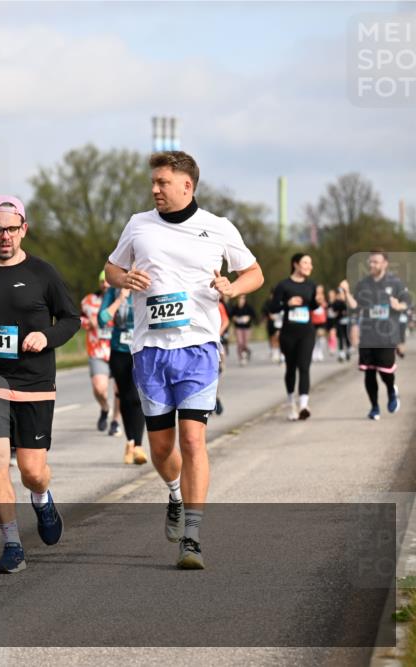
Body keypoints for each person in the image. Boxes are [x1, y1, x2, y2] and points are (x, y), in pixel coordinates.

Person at [104, 151, 263, 570]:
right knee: (161, 448)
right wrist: (124, 277)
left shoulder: (218, 227)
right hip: (150, 350)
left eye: (163, 182)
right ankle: (174, 492)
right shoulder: (138, 225)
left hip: (198, 347)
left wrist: (232, 287)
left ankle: (192, 536)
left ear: (187, 185)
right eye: (153, 182)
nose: (155, 189)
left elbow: (254, 273)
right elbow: (111, 269)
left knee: (193, 440)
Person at [0, 195, 80, 573]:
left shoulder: (43, 273)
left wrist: (46, 336)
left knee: (32, 471)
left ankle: (41, 499)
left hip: (35, 381)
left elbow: (70, 319)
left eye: (12, 228)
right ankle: (12, 544)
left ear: (24, 229)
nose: (5, 236)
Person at [341, 251, 412, 420]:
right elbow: (355, 307)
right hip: (368, 334)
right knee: (369, 372)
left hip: (387, 334)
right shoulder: (363, 284)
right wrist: (346, 292)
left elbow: (407, 302)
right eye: (370, 261)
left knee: (385, 371)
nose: (372, 265)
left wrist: (399, 305)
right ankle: (374, 407)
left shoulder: (395, 283)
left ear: (385, 263)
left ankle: (391, 390)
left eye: (376, 262)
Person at [98, 285, 148, 465]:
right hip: (119, 351)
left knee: (136, 396)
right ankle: (130, 442)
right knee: (125, 398)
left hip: (141, 350)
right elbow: (102, 319)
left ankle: (139, 446)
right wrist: (120, 299)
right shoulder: (113, 291)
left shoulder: (145, 287)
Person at [270, 254, 319, 421]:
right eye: (306, 262)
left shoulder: (311, 285)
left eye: (310, 263)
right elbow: (273, 307)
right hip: (288, 333)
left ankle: (304, 405)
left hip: (307, 332)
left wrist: (319, 301)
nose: (309, 266)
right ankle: (291, 403)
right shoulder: (283, 285)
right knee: (291, 368)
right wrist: (287, 304)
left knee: (304, 367)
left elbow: (313, 305)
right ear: (296, 264)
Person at [80, 272, 121, 432]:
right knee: (99, 388)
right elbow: (76, 318)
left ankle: (115, 421)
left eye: (108, 281)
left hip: (118, 350)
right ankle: (105, 408)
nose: (105, 284)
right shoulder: (89, 301)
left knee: (119, 390)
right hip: (97, 351)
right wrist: (87, 322)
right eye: (102, 281)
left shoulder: (122, 299)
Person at [229, 294, 256, 365]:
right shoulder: (235, 307)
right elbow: (230, 315)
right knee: (240, 342)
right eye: (240, 298)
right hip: (238, 327)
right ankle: (241, 358)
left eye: (243, 298)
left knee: (245, 343)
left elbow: (253, 315)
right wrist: (234, 318)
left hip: (247, 327)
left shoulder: (248, 307)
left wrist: (248, 318)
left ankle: (247, 352)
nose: (241, 300)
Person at [329, 285, 352, 362]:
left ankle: (348, 350)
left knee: (347, 337)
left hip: (347, 322)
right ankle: (341, 353)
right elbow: (334, 310)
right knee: (341, 338)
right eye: (339, 294)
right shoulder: (336, 302)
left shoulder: (347, 301)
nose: (340, 295)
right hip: (339, 322)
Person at [265, 288, 283, 364]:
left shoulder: (281, 301)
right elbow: (266, 311)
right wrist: (270, 315)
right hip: (272, 323)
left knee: (280, 338)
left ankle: (281, 354)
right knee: (273, 338)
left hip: (280, 323)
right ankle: (274, 352)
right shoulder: (268, 303)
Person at [311, 285, 328, 362]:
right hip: (313, 320)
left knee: (321, 336)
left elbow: (325, 306)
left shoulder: (324, 298)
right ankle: (314, 351)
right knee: (314, 338)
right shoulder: (312, 297)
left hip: (322, 320)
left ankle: (320, 351)